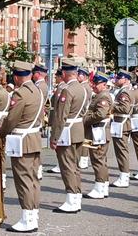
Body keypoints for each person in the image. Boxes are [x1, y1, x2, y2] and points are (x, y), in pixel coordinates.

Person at [0, 60, 44, 233]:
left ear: (16, 77)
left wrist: (0, 132)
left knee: (23, 180)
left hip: (22, 140)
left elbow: (11, 120)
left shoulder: (20, 94)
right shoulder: (38, 90)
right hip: (34, 139)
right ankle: (33, 214)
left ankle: (27, 218)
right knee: (33, 180)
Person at [50, 60, 87, 213]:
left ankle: (71, 198)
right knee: (75, 166)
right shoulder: (83, 88)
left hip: (68, 131)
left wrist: (54, 138)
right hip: (78, 130)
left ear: (64, 74)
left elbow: (60, 117)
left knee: (67, 167)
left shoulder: (68, 90)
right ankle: (76, 197)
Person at [82, 71, 113, 199]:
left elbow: (100, 114)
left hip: (98, 132)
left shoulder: (103, 97)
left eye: (96, 83)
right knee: (101, 160)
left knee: (98, 160)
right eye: (93, 83)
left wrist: (85, 119)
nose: (93, 85)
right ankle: (103, 186)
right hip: (98, 131)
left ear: (104, 84)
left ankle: (100, 187)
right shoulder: (100, 95)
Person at [110, 69, 134, 188]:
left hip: (122, 123)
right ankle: (123, 175)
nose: (117, 80)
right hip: (119, 123)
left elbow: (124, 108)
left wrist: (111, 105)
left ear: (125, 80)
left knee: (122, 151)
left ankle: (124, 176)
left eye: (119, 78)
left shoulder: (125, 92)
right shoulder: (123, 91)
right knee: (120, 151)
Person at [47, 69, 66, 174]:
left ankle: (60, 164)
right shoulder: (60, 87)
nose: (55, 79)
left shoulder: (61, 88)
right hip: (56, 116)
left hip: (57, 117)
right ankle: (60, 163)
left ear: (61, 77)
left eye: (56, 77)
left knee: (58, 141)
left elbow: (58, 105)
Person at [32, 64, 48, 180]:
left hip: (36, 118)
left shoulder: (40, 86)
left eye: (33, 73)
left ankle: (38, 169)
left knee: (35, 146)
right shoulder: (40, 85)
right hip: (38, 118)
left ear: (37, 74)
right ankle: (37, 168)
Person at [77, 67, 93, 169]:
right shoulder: (84, 86)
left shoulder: (84, 87)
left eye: (79, 75)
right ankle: (83, 159)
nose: (77, 76)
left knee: (84, 138)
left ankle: (83, 159)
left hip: (83, 114)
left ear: (84, 76)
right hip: (84, 114)